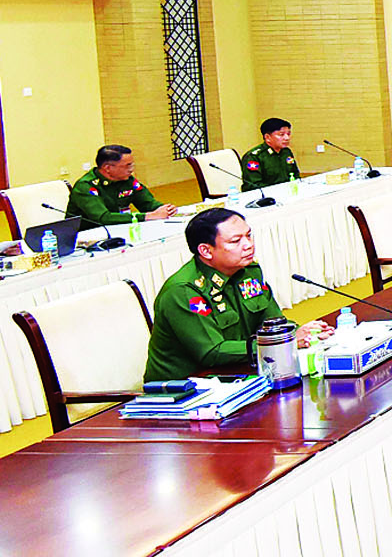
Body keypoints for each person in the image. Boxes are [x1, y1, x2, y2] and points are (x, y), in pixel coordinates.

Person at [143, 208, 330, 382]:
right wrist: (283, 342)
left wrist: (303, 334)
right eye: (235, 241)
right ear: (206, 251)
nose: (249, 245)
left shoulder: (249, 271)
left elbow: (273, 321)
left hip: (237, 374)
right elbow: (212, 352)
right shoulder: (184, 291)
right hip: (183, 389)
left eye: (249, 235)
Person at [67, 145, 176, 226]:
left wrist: (164, 209)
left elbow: (147, 203)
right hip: (88, 237)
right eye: (127, 166)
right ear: (108, 168)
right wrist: (148, 216)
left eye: (132, 165)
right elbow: (103, 218)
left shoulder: (126, 179)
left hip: (120, 228)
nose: (131, 169)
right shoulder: (86, 186)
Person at [240, 117, 301, 189]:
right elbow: (253, 185)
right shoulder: (254, 157)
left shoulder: (286, 152)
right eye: (281, 134)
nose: (287, 138)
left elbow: (295, 174)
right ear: (267, 137)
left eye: (288, 134)